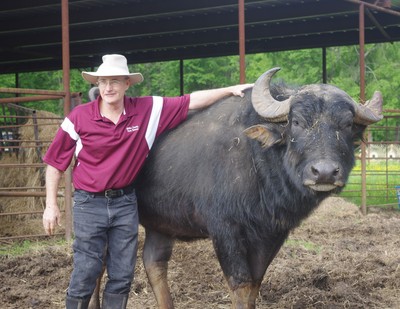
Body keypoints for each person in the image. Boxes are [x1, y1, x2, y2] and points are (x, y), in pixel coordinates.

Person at [42, 54, 253, 309]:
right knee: (87, 269)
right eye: (103, 81)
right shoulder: (78, 117)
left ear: (127, 84)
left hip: (125, 203)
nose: (108, 88)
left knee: (121, 275)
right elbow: (55, 163)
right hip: (90, 203)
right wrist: (51, 205)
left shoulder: (147, 109)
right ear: (97, 84)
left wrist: (230, 89)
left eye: (115, 81)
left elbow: (190, 101)